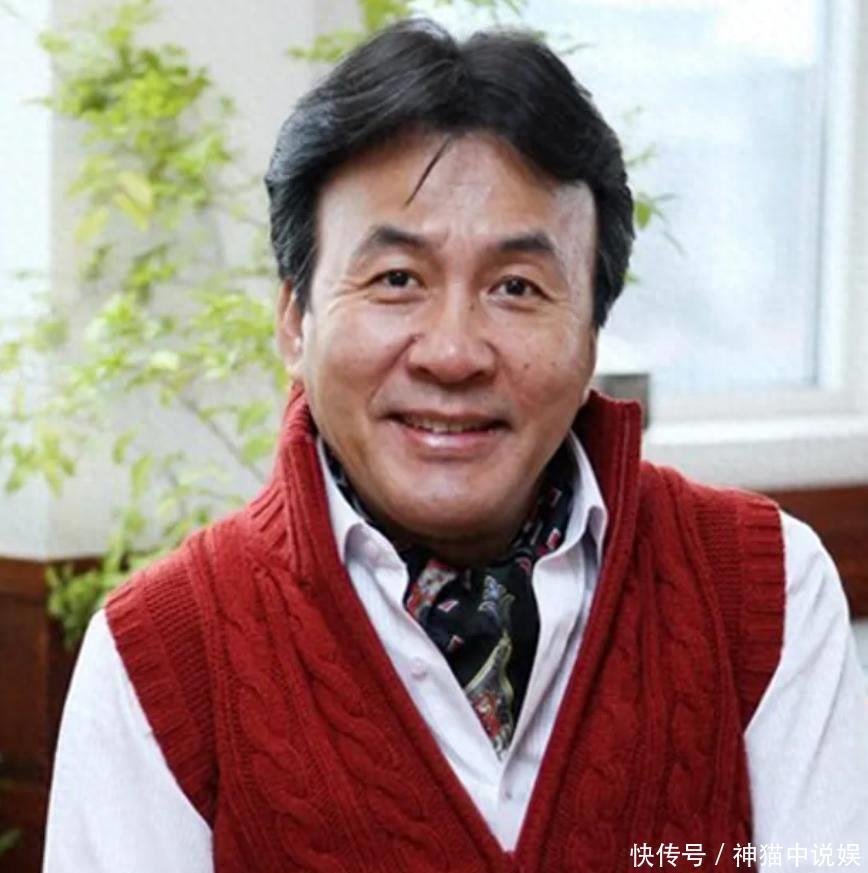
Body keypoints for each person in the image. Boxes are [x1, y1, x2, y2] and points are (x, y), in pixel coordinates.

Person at [43, 18, 867, 873]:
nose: (452, 352)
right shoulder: (158, 656)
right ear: (294, 320)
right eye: (397, 279)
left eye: (517, 287)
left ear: (592, 330)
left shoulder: (766, 591)